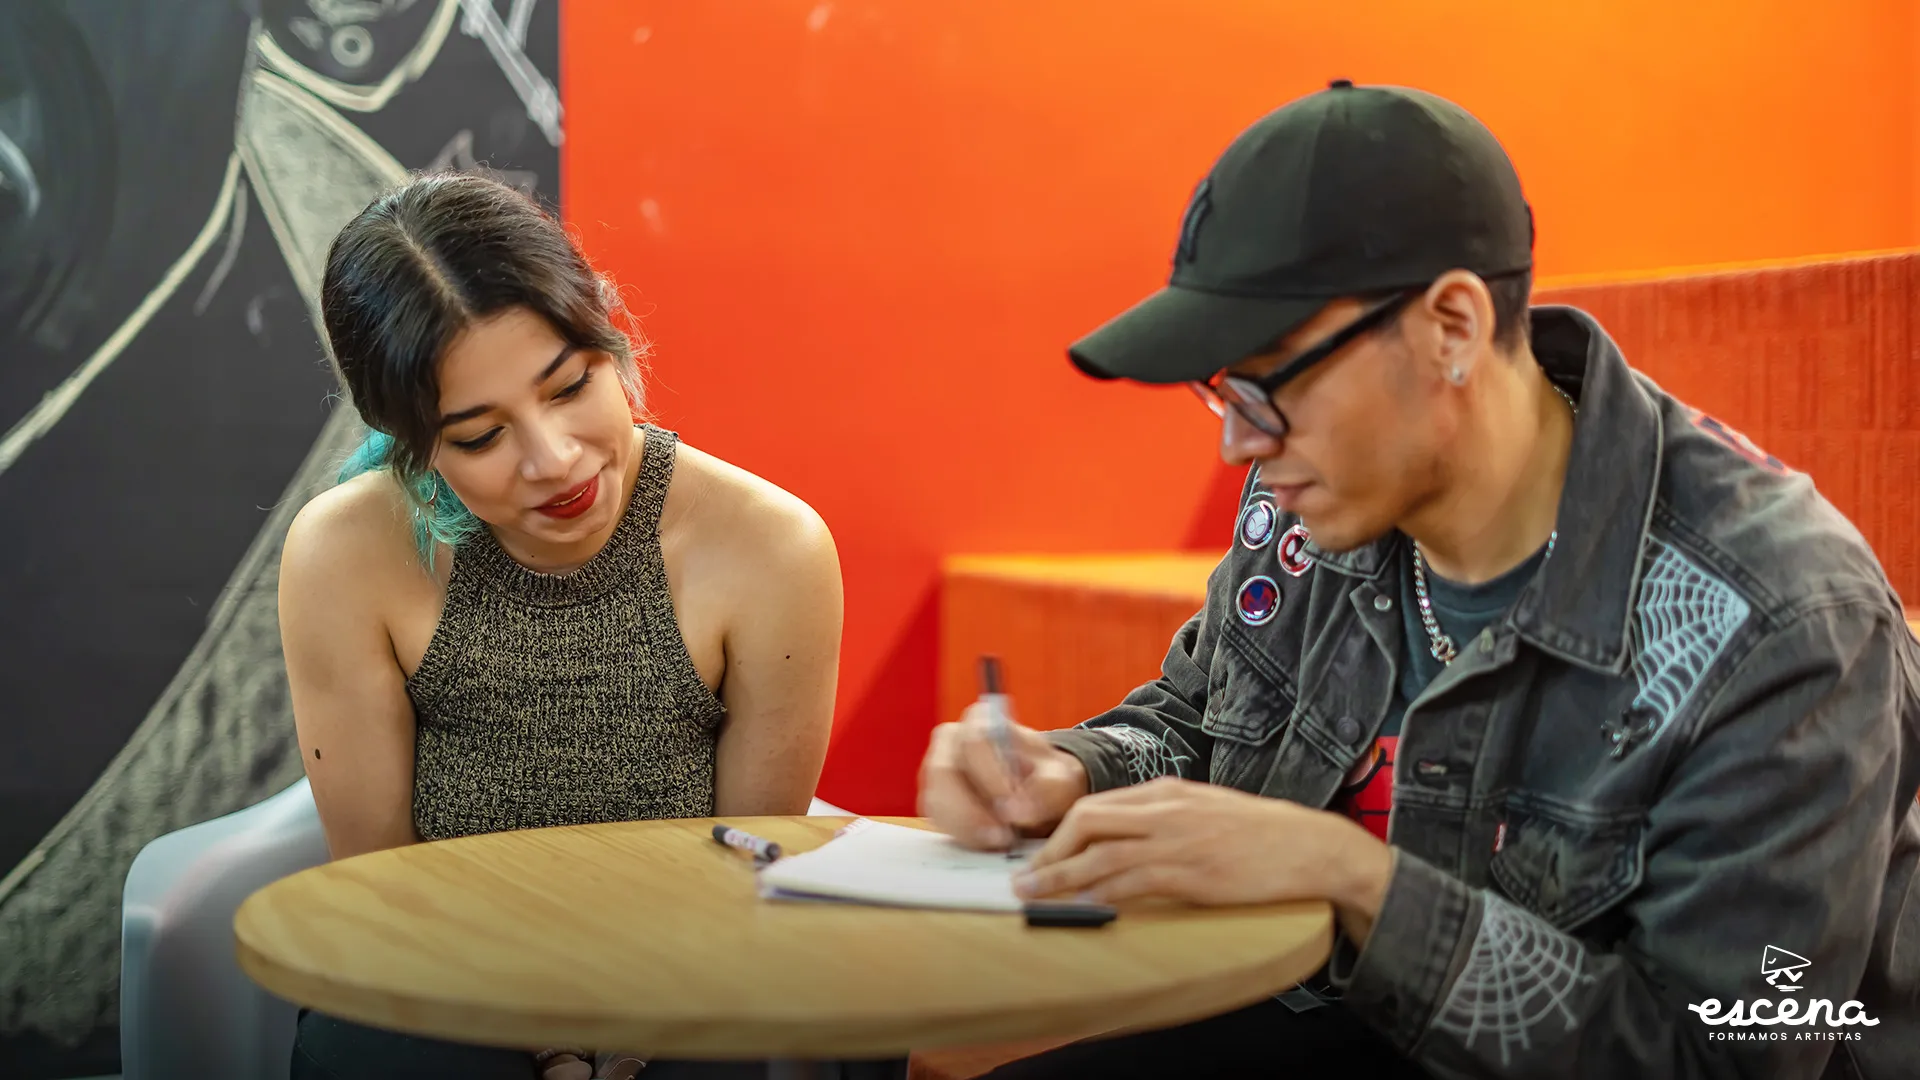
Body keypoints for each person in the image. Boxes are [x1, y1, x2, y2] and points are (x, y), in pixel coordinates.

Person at [918, 81, 1920, 1079]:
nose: (1238, 445)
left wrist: (1358, 881)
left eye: (1271, 379)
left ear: (1452, 326)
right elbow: (1201, 722)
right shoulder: (1318, 497)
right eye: (1222, 390)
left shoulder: (1782, 619)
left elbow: (1714, 1057)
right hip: (1355, 1022)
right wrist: (1071, 770)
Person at [278, 173, 844, 1080]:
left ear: (608, 337)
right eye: (479, 436)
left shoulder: (770, 547)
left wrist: (633, 1025)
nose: (554, 460)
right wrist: (534, 1023)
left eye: (571, 385)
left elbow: (745, 869)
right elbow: (380, 881)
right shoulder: (345, 554)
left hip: (690, 964)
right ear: (411, 442)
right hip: (445, 970)